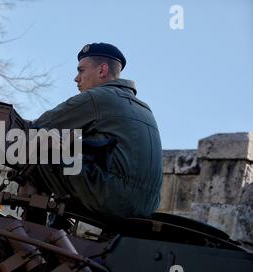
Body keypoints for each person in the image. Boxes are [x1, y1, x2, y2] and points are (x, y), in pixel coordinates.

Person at [26, 42, 163, 226]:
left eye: (81, 70)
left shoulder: (99, 98)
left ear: (102, 70)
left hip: (112, 198)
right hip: (146, 207)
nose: (76, 78)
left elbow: (38, 127)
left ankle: (31, 233)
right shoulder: (144, 108)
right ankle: (58, 226)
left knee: (37, 149)